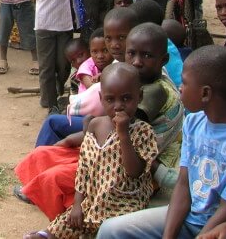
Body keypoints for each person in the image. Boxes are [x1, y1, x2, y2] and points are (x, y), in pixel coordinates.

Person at [97, 46, 226, 239]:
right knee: (110, 229)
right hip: (189, 216)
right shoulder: (193, 122)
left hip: (223, 226)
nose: (180, 87)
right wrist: (168, 236)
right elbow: (183, 185)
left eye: (184, 82)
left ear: (205, 93)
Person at [23, 63, 159, 239]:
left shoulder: (143, 131)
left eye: (126, 99)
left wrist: (124, 135)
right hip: (94, 200)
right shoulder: (95, 125)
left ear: (139, 96)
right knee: (64, 224)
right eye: (110, 99)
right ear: (101, 98)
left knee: (111, 229)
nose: (118, 106)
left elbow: (134, 172)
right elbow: (84, 167)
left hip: (126, 205)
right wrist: (77, 204)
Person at [76, 28, 111, 93]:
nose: (100, 56)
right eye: (94, 51)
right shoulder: (85, 67)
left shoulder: (115, 62)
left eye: (105, 50)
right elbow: (92, 89)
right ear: (90, 51)